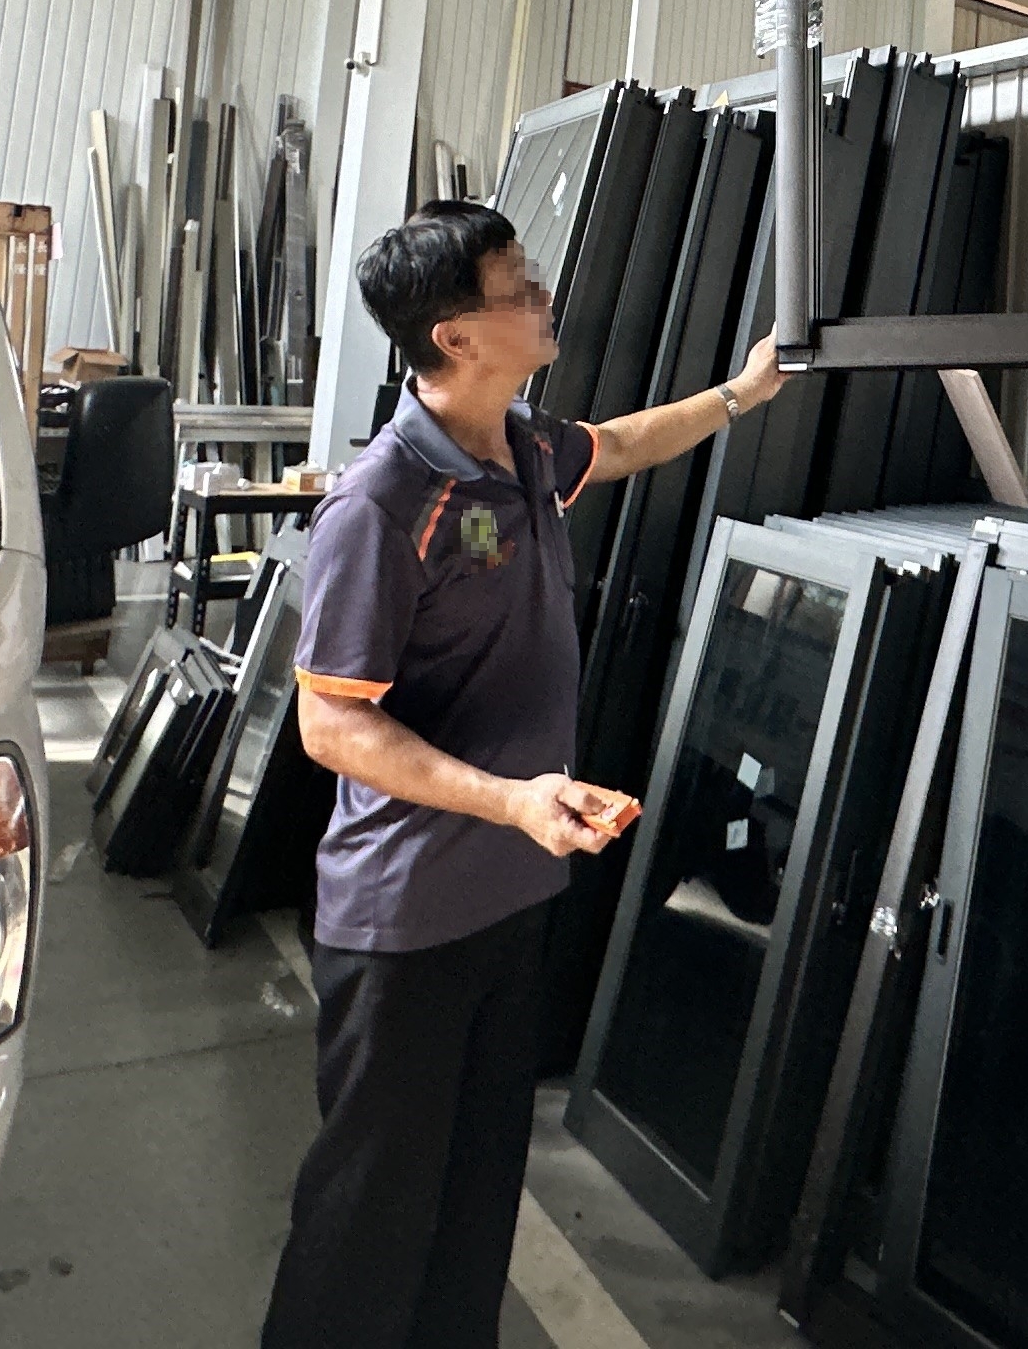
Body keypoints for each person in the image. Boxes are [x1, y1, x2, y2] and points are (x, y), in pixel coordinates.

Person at [254, 197, 782, 1349]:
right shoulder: (384, 503)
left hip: (508, 900)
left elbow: (624, 443)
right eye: (517, 286)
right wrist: (510, 798)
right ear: (455, 336)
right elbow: (333, 726)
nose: (543, 296)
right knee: (368, 1219)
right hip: (406, 924)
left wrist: (742, 394)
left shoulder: (526, 448)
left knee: (477, 1196)